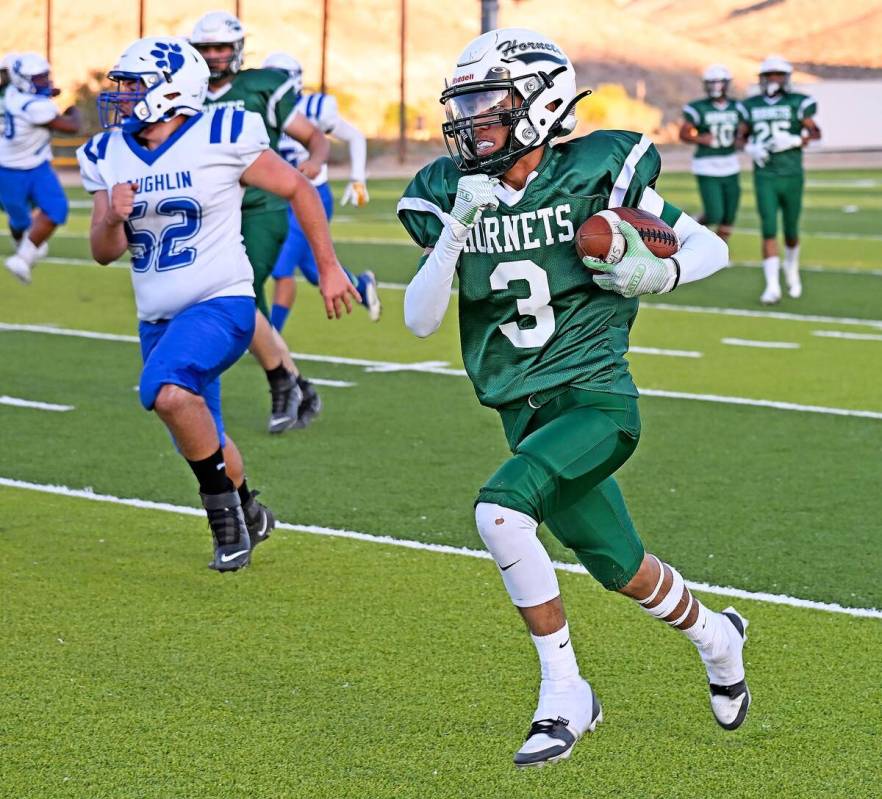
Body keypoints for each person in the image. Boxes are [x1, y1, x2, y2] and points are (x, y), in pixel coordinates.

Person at [398, 28, 747, 768]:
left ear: (541, 105)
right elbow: (420, 318)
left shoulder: (594, 172)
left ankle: (566, 691)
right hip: (523, 414)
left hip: (596, 401)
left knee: (500, 510)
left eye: (489, 105)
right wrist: (458, 224)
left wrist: (663, 274)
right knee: (620, 565)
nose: (471, 122)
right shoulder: (448, 190)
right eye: (466, 106)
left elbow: (710, 247)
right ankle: (719, 639)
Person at [77, 37, 357, 571]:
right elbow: (102, 253)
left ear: (172, 87)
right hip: (157, 319)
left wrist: (327, 266)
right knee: (203, 430)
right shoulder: (106, 152)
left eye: (136, 84)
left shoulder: (221, 131)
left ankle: (224, 521)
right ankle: (251, 508)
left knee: (165, 393)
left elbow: (297, 187)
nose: (124, 96)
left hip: (220, 301)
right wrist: (112, 217)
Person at [190, 11, 338, 432]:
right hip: (216, 209)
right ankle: (294, 382)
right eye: (207, 49)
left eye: (221, 48)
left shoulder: (262, 85)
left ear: (237, 49)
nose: (215, 56)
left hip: (262, 205)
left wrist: (314, 161)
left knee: (241, 293)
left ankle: (284, 383)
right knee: (238, 298)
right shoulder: (189, 92)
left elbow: (314, 135)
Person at [262, 52, 381, 330]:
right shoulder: (259, 110)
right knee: (316, 271)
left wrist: (357, 179)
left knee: (281, 269)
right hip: (275, 199)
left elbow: (354, 136)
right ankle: (362, 287)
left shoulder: (313, 108)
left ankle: (270, 336)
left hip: (309, 197)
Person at [741, 55, 820, 304]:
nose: (774, 80)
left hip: (792, 173)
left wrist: (796, 140)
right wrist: (750, 148)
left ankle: (792, 269)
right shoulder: (750, 105)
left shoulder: (798, 102)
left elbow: (816, 133)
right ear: (763, 78)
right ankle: (772, 286)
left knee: (791, 231)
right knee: (768, 228)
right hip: (765, 174)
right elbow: (739, 137)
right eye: (770, 75)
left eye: (778, 75)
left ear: (786, 78)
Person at [1, 53, 81, 284]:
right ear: (22, 80)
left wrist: (49, 94)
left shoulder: (14, 94)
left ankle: (23, 257)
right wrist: (73, 109)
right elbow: (72, 127)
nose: (44, 82)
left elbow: (38, 97)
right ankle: (25, 247)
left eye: (44, 76)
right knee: (19, 221)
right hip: (11, 169)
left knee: (56, 208)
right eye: (37, 78)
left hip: (32, 165)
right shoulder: (35, 106)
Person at [679, 65, 747, 243]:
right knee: (715, 213)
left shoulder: (737, 107)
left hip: (731, 164)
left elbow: (745, 132)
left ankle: (719, 251)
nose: (716, 87)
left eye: (719, 82)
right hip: (707, 165)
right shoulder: (698, 107)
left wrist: (741, 139)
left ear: (726, 84)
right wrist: (701, 139)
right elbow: (684, 134)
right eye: (712, 83)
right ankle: (689, 227)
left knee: (729, 215)